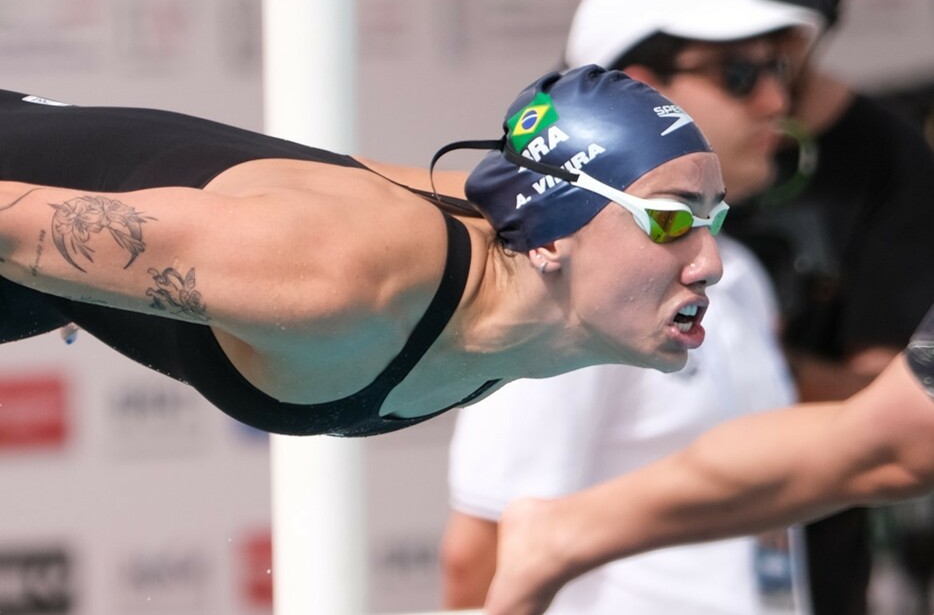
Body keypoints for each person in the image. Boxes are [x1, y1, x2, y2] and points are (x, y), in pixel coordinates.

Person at [0, 65, 727, 438]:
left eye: (713, 220)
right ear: (553, 241)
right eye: (669, 220)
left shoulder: (528, 292)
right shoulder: (341, 277)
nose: (710, 262)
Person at [440, 0, 821, 612]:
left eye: (780, 72)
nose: (776, 101)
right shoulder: (579, 300)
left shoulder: (739, 276)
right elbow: (479, 559)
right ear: (646, 94)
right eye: (741, 75)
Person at [481, 319, 934, 615]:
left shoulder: (744, 279)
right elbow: (893, 438)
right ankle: (565, 532)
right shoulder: (578, 320)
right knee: (897, 447)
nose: (705, 263)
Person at [725, 0, 934, 611]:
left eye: (777, 51)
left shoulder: (887, 156)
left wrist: (754, 358)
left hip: (810, 545)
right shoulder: (611, 181)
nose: (767, 90)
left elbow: (893, 398)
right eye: (732, 67)